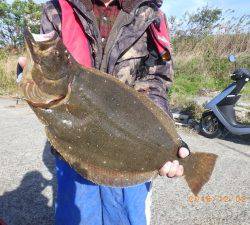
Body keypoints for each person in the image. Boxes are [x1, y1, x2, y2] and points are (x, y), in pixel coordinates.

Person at [18, 0, 190, 224]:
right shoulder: (57, 8)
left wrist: (167, 142)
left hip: (130, 145)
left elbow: (157, 76)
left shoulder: (151, 14)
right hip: (75, 151)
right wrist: (28, 81)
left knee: (126, 218)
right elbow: (49, 74)